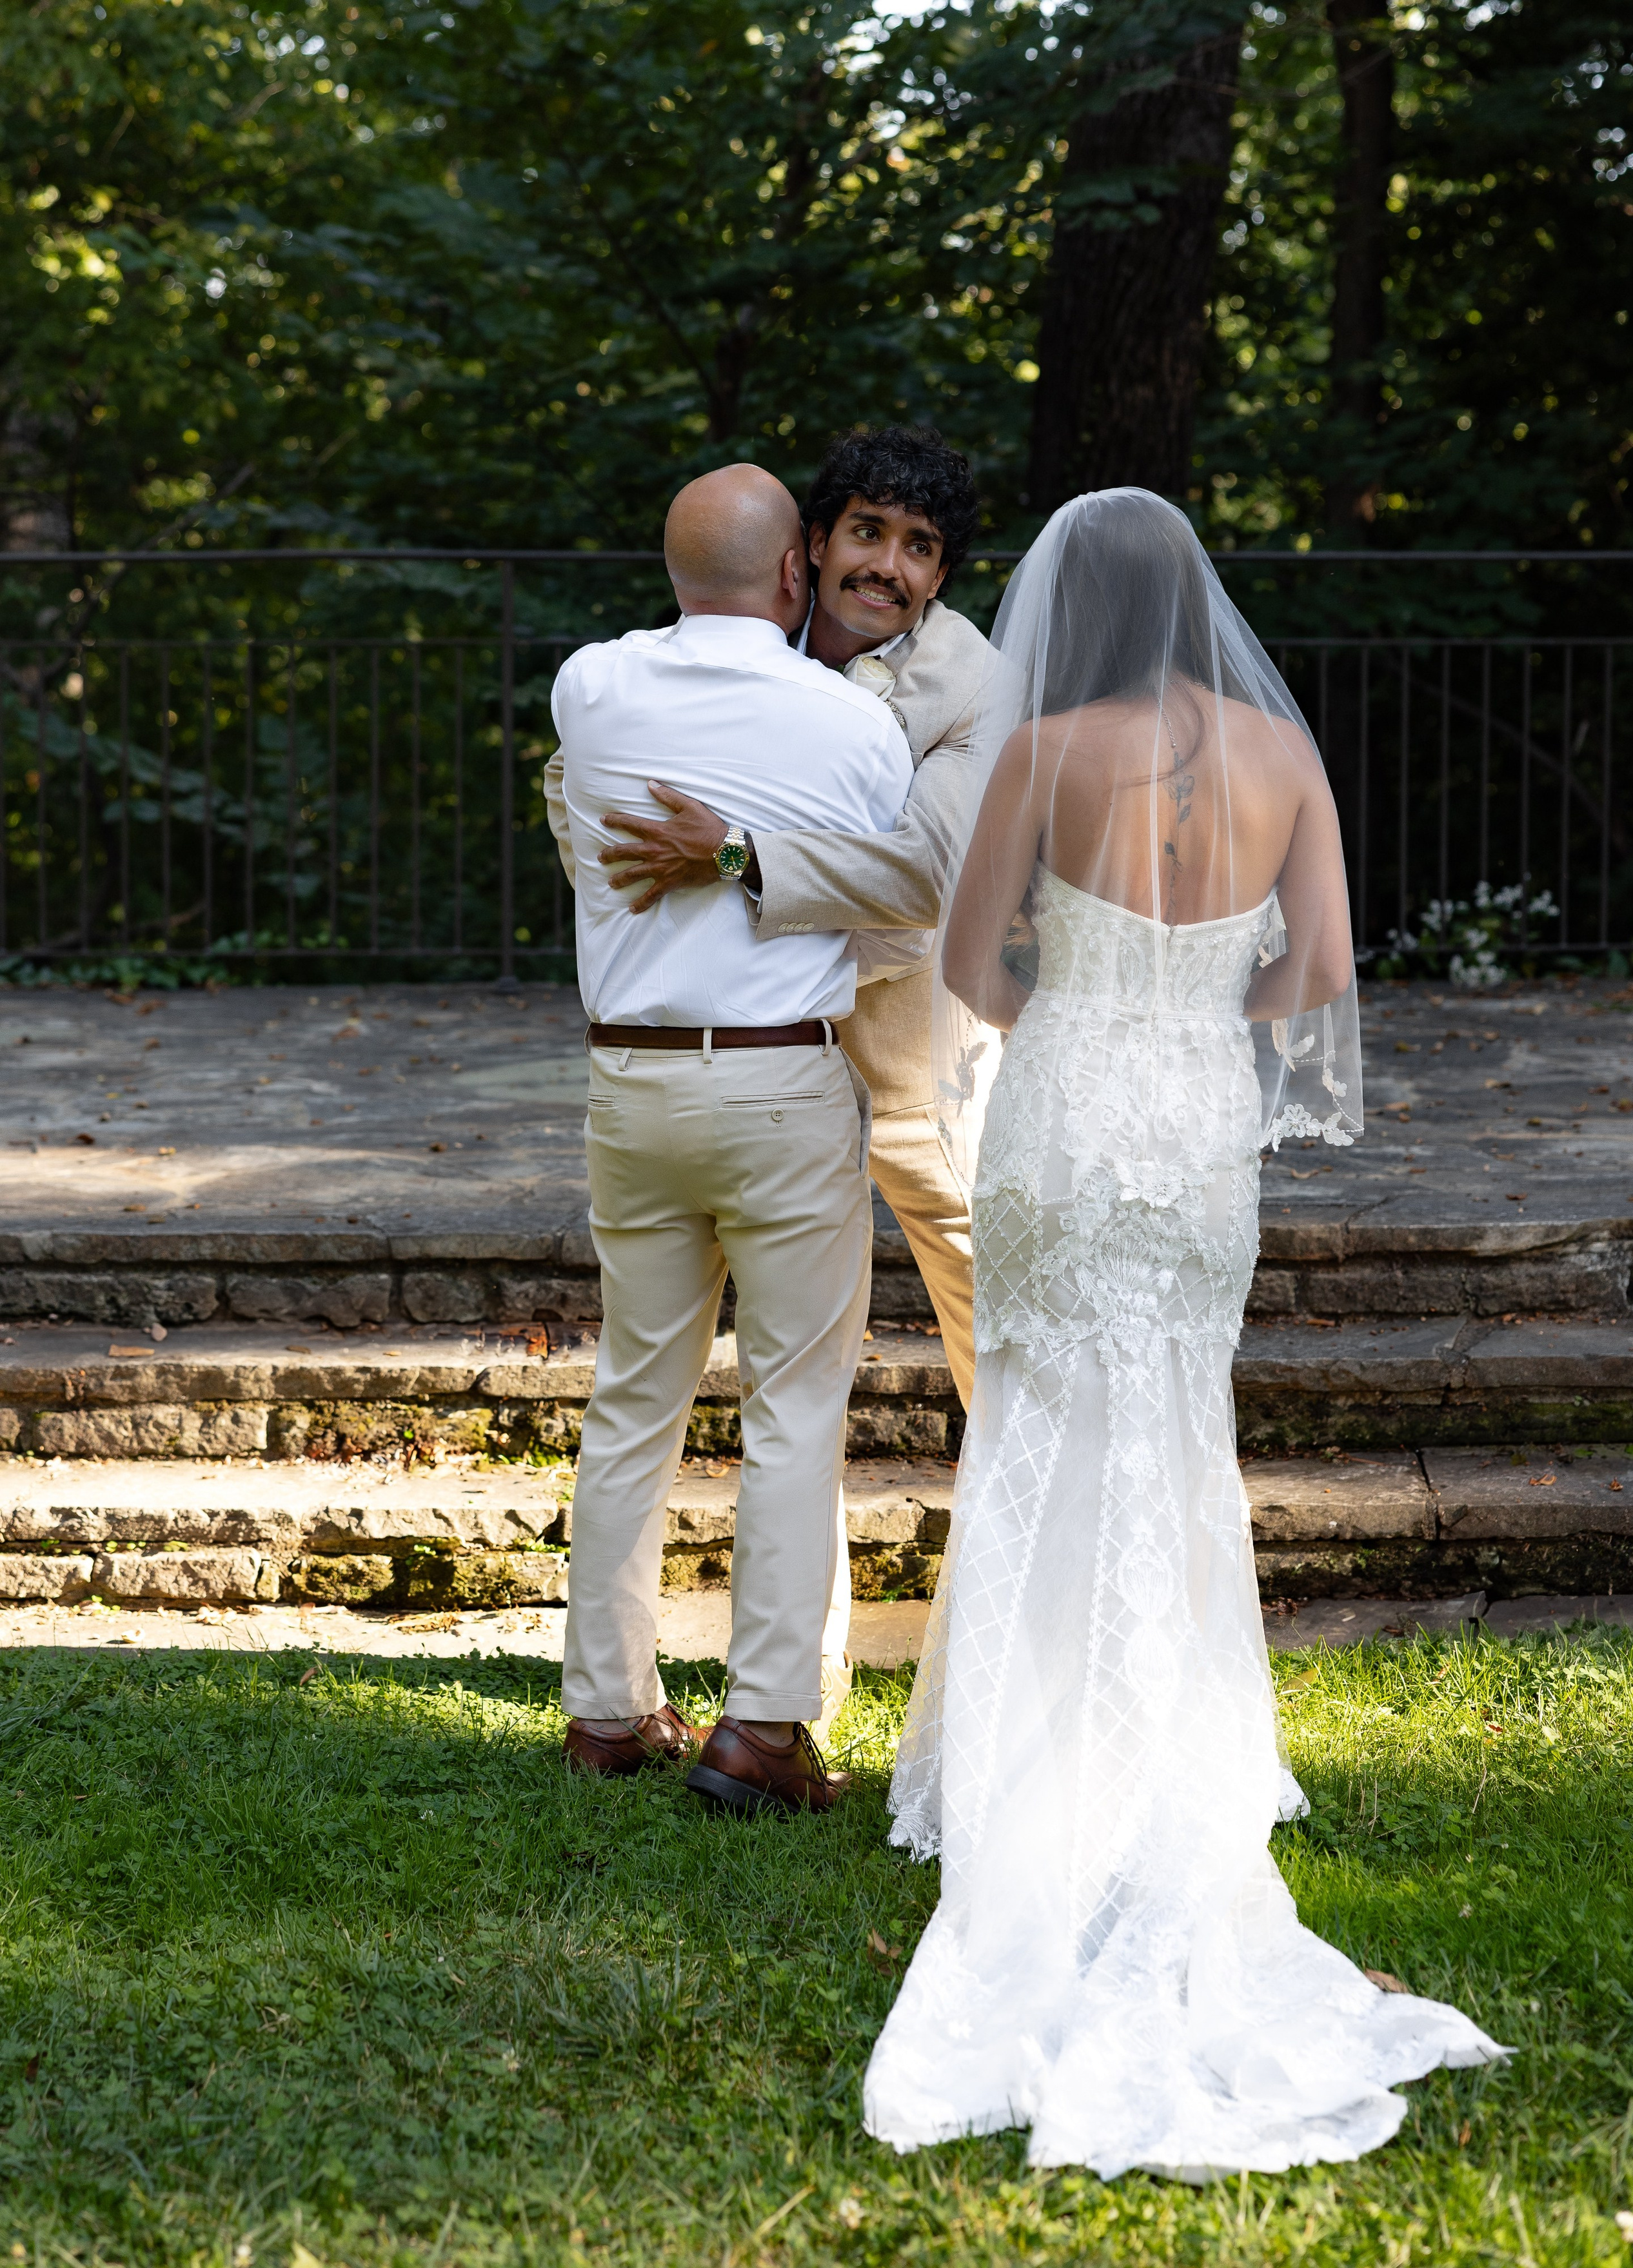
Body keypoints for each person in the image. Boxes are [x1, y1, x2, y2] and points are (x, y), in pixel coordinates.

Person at [862, 489, 1505, 2174]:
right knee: (1174, 1438)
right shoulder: (1284, 760)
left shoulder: (1044, 748)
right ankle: (1169, 1778)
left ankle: (1035, 1778)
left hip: (1070, 1112)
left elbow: (969, 964)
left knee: (1045, 1430)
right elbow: (1323, 977)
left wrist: (1076, 1006)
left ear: (1076, 608)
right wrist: (1193, 1015)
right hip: (1198, 1128)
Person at [550, 463, 911, 1812]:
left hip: (629, 1086)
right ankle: (759, 1728)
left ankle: (601, 1708)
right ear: (791, 576)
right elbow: (895, 916)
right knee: (794, 1407)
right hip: (780, 1085)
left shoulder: (591, 688)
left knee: (632, 1397)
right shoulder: (851, 727)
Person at [550, 426, 993, 1406]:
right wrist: (640, 899)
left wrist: (735, 865)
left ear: (941, 575)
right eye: (868, 533)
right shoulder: (731, 634)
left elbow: (928, 874)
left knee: (992, 1334)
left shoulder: (971, 686)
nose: (886, 567)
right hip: (762, 1071)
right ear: (813, 546)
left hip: (915, 1065)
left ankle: (1017, 1551)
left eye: (919, 548)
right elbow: (570, 780)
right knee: (796, 1395)